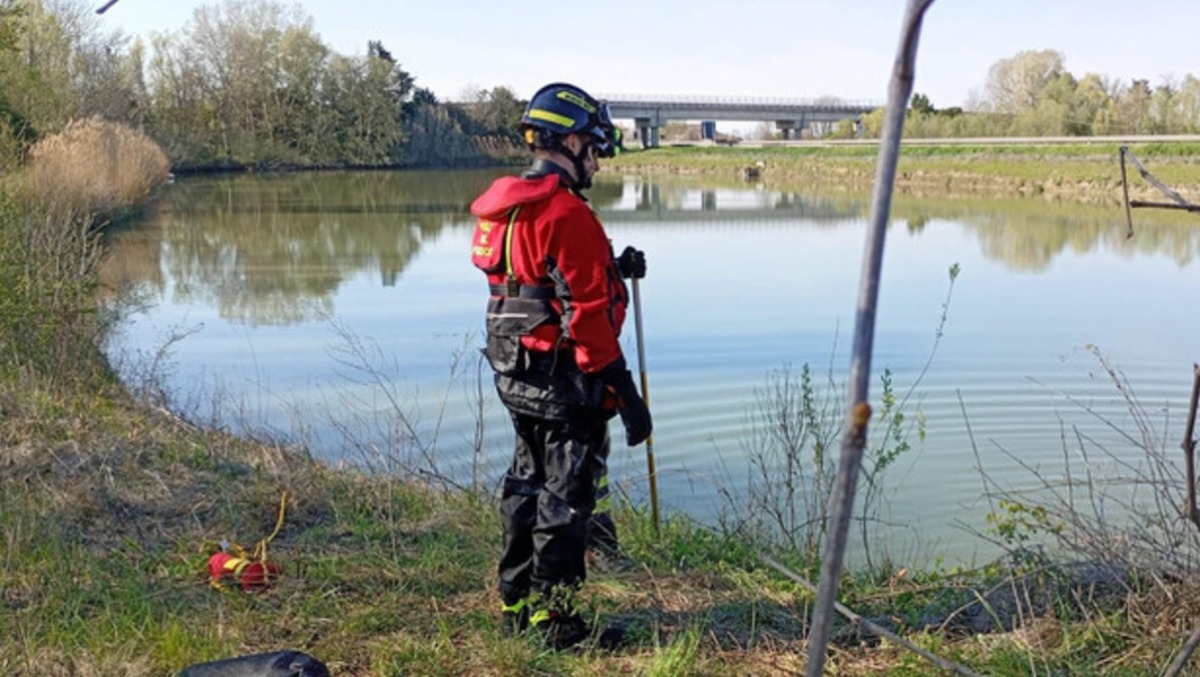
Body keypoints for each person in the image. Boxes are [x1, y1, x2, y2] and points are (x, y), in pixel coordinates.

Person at [468, 82, 652, 649]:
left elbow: (532, 278)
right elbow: (587, 318)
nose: (597, 161)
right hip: (566, 379)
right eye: (594, 148)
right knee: (567, 500)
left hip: (514, 369)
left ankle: (516, 605)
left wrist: (609, 265)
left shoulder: (506, 205)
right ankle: (558, 624)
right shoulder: (568, 211)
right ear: (569, 141)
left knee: (526, 484)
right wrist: (625, 394)